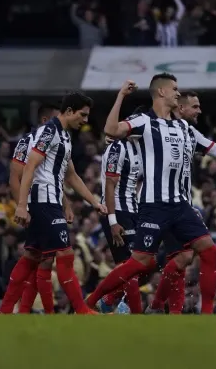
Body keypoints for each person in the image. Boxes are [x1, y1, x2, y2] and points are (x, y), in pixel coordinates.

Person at [86, 75, 216, 314]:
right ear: (161, 92)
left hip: (180, 204)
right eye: (175, 89)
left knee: (207, 250)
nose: (178, 94)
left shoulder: (182, 127)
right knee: (141, 262)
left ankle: (204, 314)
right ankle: (93, 300)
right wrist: (121, 96)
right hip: (152, 205)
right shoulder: (143, 122)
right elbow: (111, 130)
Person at [10, 92, 104, 315]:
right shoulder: (48, 132)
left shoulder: (64, 136)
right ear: (69, 111)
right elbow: (26, 170)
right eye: (83, 114)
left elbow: (70, 176)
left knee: (36, 256)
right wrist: (21, 205)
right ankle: (81, 309)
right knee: (63, 254)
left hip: (51, 199)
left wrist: (93, 202)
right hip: (42, 201)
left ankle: (8, 310)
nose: (85, 120)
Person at [147, 90, 216, 314]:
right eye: (195, 107)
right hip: (161, 204)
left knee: (192, 256)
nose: (200, 111)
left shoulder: (189, 131)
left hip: (182, 206)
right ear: (181, 108)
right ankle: (112, 300)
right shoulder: (156, 128)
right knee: (156, 261)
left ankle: (161, 307)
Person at [0, 103, 59, 314]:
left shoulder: (59, 140)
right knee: (41, 257)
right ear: (45, 120)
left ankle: (19, 310)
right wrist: (22, 207)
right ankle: (10, 308)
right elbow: (15, 176)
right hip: (36, 205)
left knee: (37, 256)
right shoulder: (28, 141)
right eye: (56, 118)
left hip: (50, 204)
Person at [96, 109, 146, 314]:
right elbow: (110, 185)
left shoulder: (137, 148)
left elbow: (141, 180)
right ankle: (132, 311)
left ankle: (108, 299)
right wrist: (113, 221)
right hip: (117, 211)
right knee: (130, 266)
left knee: (143, 263)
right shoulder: (117, 148)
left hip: (132, 210)